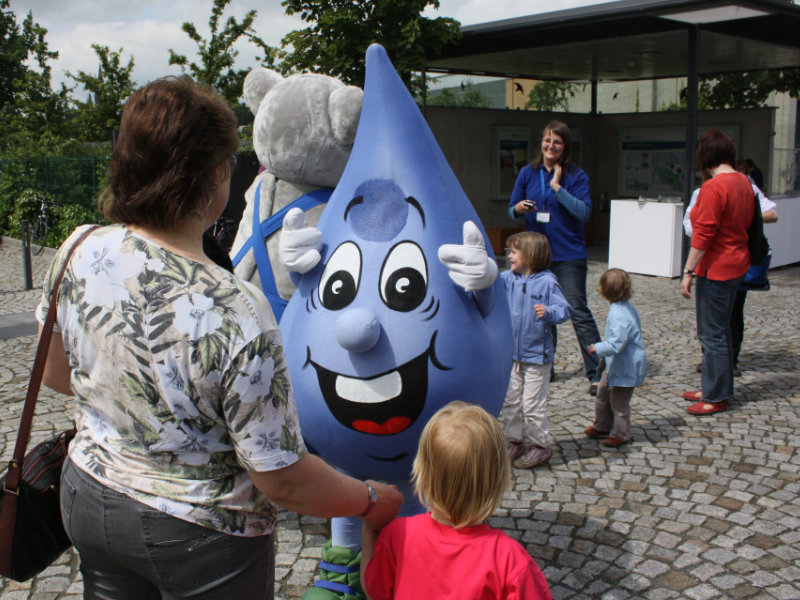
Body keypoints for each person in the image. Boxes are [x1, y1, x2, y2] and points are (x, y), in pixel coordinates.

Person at [37, 76, 402, 600]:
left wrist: (138, 401)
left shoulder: (78, 248)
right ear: (214, 175)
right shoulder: (237, 309)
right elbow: (283, 478)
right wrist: (369, 498)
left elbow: (55, 374)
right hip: (200, 538)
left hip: (91, 500)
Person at [360, 401, 552, 600]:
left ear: (424, 475)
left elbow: (374, 589)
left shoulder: (399, 535)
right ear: (497, 480)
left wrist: (371, 529)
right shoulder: (509, 559)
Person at [508, 120, 602, 395]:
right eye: (547, 140)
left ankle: (596, 373)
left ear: (565, 147)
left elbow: (584, 213)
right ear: (542, 142)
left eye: (557, 142)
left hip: (569, 254)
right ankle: (544, 369)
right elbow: (511, 211)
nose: (551, 146)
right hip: (537, 255)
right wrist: (520, 208)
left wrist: (558, 189)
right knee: (541, 313)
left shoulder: (576, 176)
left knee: (578, 312)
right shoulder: (527, 172)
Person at [680, 129, 754, 416]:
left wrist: (688, 270)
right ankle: (711, 387)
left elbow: (704, 235)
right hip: (737, 263)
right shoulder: (743, 182)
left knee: (712, 334)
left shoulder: (714, 186)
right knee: (718, 331)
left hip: (717, 268)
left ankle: (716, 395)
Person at [683, 168, 778, 379]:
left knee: (731, 315)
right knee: (710, 324)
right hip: (711, 263)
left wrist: (742, 218)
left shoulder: (745, 187)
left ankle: (727, 366)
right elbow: (690, 226)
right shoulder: (702, 192)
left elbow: (772, 213)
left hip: (733, 263)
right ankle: (713, 366)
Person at [500, 232, 572, 468]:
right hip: (512, 355)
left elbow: (565, 309)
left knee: (532, 405)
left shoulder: (548, 282)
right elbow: (488, 280)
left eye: (513, 252)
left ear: (530, 255)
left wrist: (550, 312)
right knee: (510, 401)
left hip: (537, 357)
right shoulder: (509, 278)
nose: (509, 256)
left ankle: (540, 446)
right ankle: (514, 441)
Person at [586, 269, 647, 447]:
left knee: (619, 404)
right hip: (614, 365)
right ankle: (602, 425)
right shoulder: (620, 307)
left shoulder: (621, 314)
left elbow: (617, 343)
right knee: (602, 394)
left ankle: (621, 433)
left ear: (603, 291)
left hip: (626, 367)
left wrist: (596, 348)